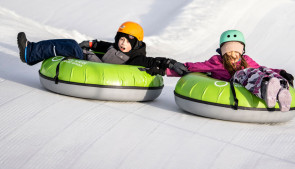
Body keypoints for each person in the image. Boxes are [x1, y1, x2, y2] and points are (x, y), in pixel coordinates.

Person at [166, 30, 294, 112]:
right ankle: (267, 89)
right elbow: (196, 67)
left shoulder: (246, 60)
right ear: (223, 52)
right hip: (240, 80)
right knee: (245, 73)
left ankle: (281, 91)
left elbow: (260, 67)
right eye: (229, 51)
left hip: (256, 75)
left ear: (242, 51)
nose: (233, 55)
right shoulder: (217, 62)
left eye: (236, 51)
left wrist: (281, 72)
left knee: (261, 70)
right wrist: (170, 69)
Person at [17, 21, 188, 76]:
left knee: (69, 45)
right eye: (121, 39)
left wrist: (169, 63)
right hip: (90, 60)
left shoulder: (135, 58)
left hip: (93, 67)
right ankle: (32, 53)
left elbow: (152, 61)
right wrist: (91, 44)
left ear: (135, 44)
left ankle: (30, 52)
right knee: (70, 44)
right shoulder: (116, 47)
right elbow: (103, 46)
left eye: (128, 41)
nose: (123, 43)